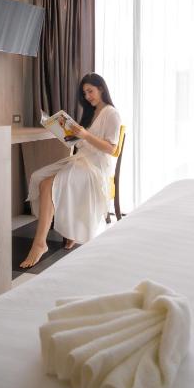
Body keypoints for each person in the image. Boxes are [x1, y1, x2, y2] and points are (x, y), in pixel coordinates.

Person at [20, 73, 121, 268]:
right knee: (40, 178)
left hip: (95, 168)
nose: (87, 96)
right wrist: (69, 135)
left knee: (49, 184)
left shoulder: (111, 113)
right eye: (85, 93)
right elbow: (83, 142)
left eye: (90, 91)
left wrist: (84, 134)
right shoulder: (92, 113)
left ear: (101, 88)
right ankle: (67, 231)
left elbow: (111, 149)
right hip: (81, 160)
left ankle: (40, 244)